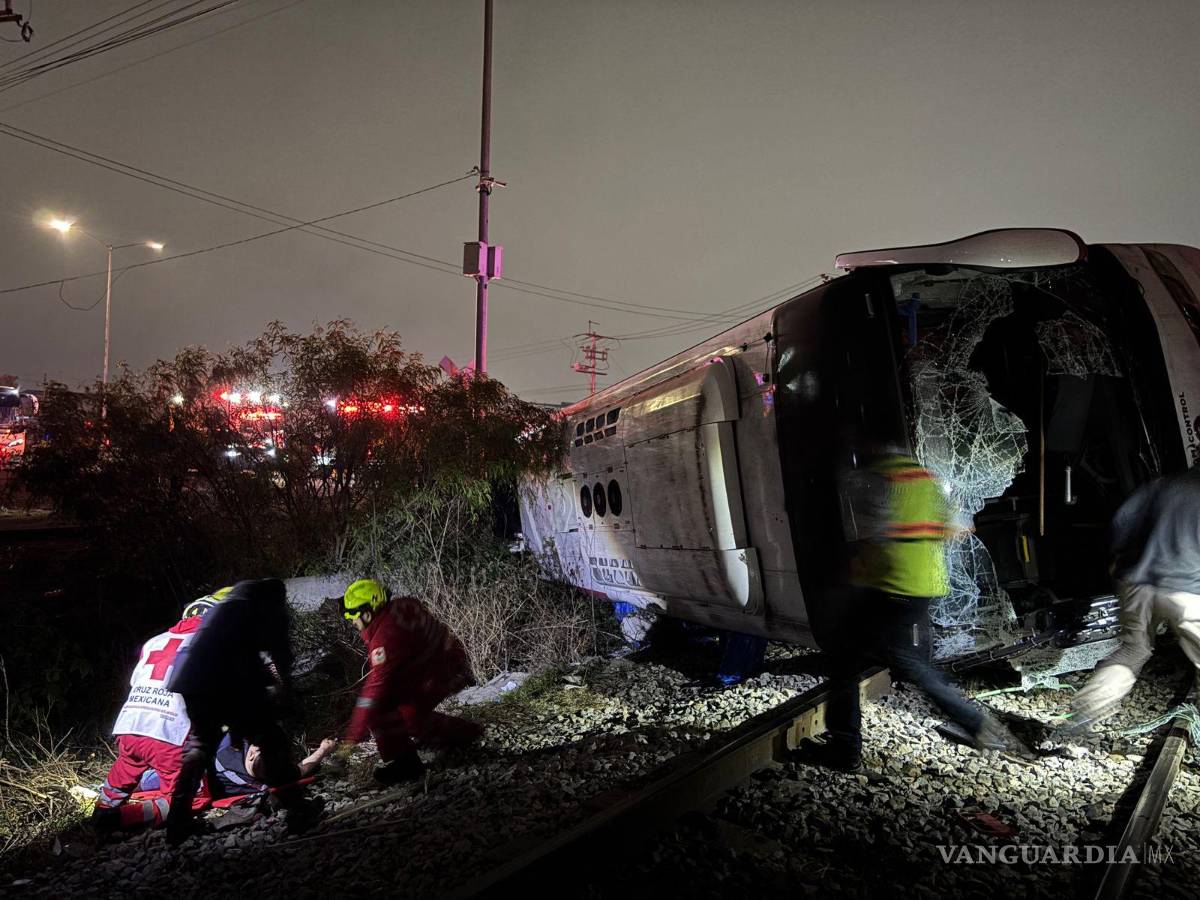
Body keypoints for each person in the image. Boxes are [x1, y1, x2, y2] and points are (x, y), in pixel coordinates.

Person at [810, 445, 1019, 772]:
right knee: (904, 663)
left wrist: (858, 570)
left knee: (851, 662)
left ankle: (846, 749)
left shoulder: (880, 479)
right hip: (925, 586)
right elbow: (959, 528)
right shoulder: (925, 479)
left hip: (891, 586)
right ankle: (974, 723)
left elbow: (874, 534)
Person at [165, 578, 315, 845]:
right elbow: (280, 651)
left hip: (190, 680)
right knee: (271, 739)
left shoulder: (223, 608)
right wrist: (287, 693)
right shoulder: (265, 604)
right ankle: (297, 810)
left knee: (200, 746)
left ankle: (177, 822)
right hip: (226, 679)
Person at [1069, 468, 1200, 728]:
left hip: (1135, 584)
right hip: (1186, 589)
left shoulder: (1162, 485)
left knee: (1134, 650)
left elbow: (1121, 524)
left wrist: (1122, 568)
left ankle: (1084, 714)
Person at [90, 589, 229, 832]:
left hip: (130, 726)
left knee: (123, 773)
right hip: (168, 734)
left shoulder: (155, 641)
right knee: (191, 798)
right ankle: (123, 818)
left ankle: (102, 808)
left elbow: (137, 681)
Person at [327, 579, 482, 785]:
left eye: (352, 615)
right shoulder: (400, 606)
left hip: (444, 674)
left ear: (367, 612)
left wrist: (349, 744)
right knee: (398, 710)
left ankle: (462, 736)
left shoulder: (384, 638)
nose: (351, 621)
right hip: (444, 665)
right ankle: (456, 737)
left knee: (400, 714)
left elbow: (372, 693)